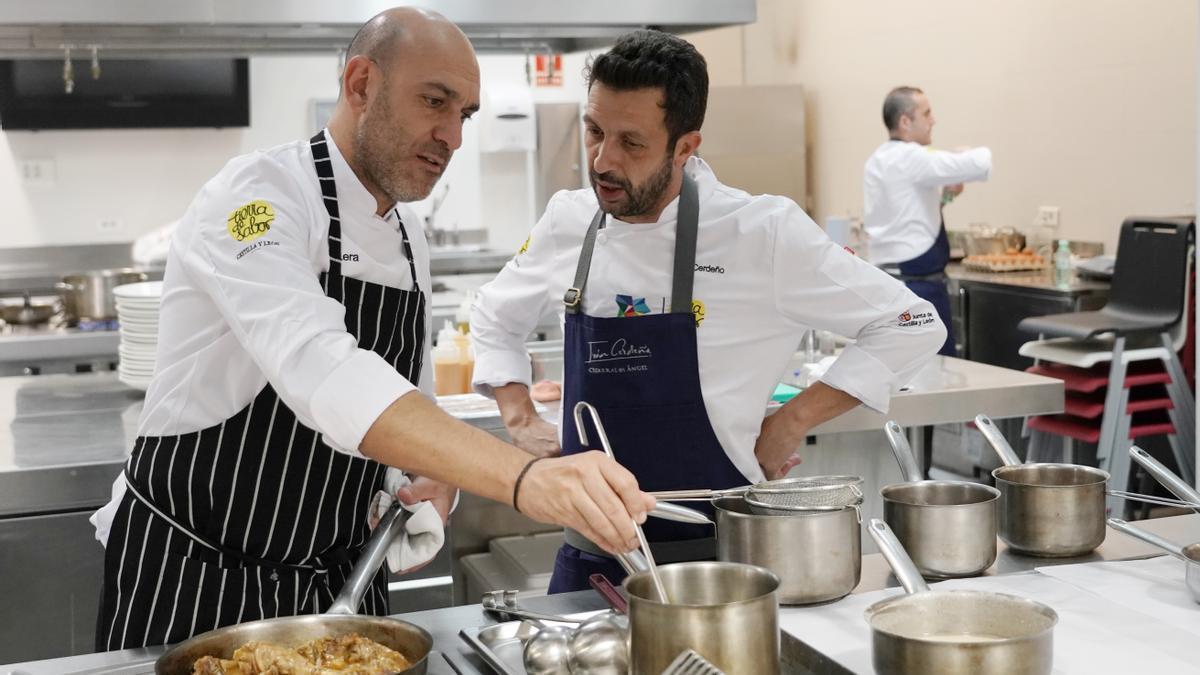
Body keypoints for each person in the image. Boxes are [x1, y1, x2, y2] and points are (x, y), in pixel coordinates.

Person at [92, 7, 654, 651]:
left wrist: (424, 476)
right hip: (199, 580)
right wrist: (523, 479)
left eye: (464, 115)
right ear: (361, 85)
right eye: (434, 102)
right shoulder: (256, 200)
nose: (453, 136)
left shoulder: (409, 234)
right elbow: (323, 370)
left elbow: (401, 398)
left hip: (339, 584)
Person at [470, 30, 946, 593]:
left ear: (685, 146)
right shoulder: (569, 221)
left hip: (722, 562)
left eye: (632, 142)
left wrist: (791, 423)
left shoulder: (761, 232)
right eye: (594, 131)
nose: (603, 160)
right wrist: (520, 416)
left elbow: (912, 323)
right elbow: (494, 316)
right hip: (591, 562)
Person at [862, 86, 992, 356]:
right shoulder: (911, 157)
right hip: (917, 286)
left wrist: (944, 199)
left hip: (890, 279)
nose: (933, 120)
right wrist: (964, 153)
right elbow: (978, 164)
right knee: (935, 369)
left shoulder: (878, 159)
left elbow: (909, 215)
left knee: (902, 366)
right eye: (927, 113)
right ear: (905, 122)